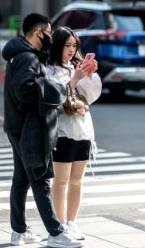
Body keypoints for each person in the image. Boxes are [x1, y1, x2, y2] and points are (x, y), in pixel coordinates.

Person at [2, 13, 82, 248]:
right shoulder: (28, 58)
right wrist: (52, 88)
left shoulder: (22, 55)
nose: (51, 36)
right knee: (40, 177)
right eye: (48, 32)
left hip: (17, 125)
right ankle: (56, 233)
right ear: (39, 32)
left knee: (21, 179)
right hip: (28, 127)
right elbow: (24, 92)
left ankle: (18, 231)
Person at [46, 26, 101, 241]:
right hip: (62, 132)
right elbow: (53, 97)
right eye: (67, 45)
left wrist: (89, 74)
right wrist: (75, 79)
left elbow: (92, 96)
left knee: (77, 181)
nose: (71, 50)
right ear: (57, 46)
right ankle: (59, 226)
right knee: (61, 181)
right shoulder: (49, 69)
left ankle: (72, 223)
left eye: (74, 46)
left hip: (83, 130)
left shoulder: (74, 67)